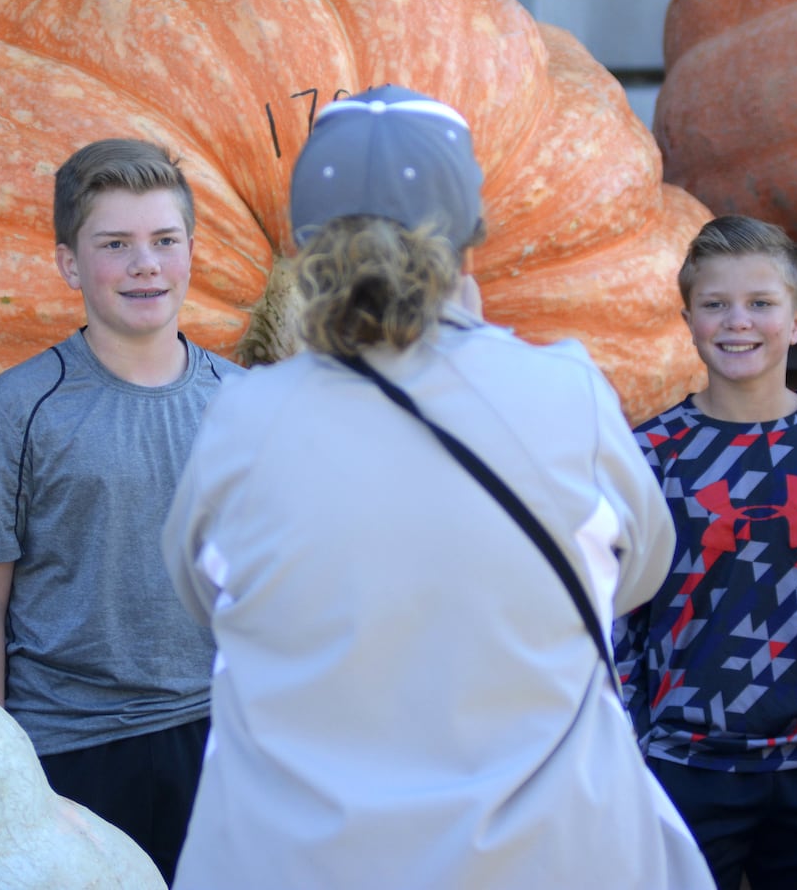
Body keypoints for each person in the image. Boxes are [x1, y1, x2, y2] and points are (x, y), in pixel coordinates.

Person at [160, 85, 715, 890]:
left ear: (306, 244)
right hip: (550, 856)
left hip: (302, 862)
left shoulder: (246, 419)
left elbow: (206, 594)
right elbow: (637, 571)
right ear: (470, 236)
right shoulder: (564, 394)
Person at [0, 137, 241, 885]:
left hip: (221, 737)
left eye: (163, 241)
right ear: (70, 263)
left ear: (190, 251)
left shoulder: (245, 404)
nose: (145, 264)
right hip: (70, 746)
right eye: (116, 244)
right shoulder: (17, 410)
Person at [614, 214, 797, 890]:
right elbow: (620, 609)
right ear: (686, 318)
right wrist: (629, 739)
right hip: (683, 764)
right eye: (714, 304)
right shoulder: (647, 454)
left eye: (759, 304)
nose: (736, 322)